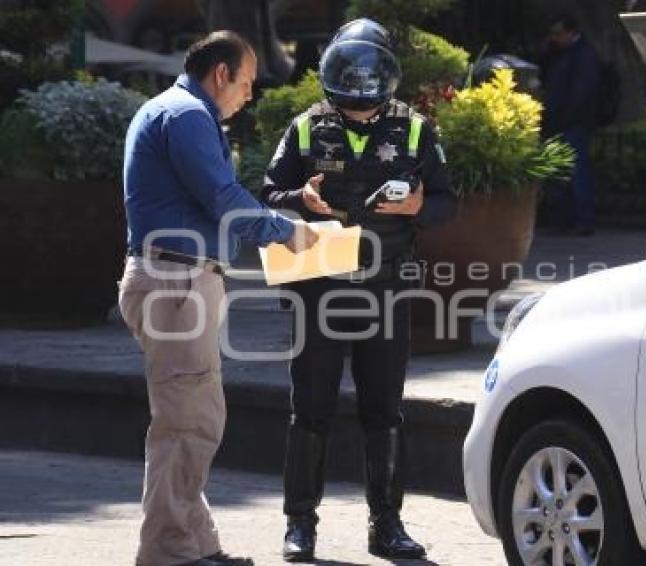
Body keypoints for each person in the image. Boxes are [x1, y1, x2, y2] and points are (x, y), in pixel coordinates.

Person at [119, 31, 318, 566]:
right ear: (221, 74)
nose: (249, 96)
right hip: (177, 283)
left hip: (175, 280)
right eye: (248, 83)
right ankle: (171, 550)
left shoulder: (172, 110)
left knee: (191, 414)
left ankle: (194, 542)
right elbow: (221, 196)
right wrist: (285, 229)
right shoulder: (186, 115)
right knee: (188, 421)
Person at [261, 18, 456, 562]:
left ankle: (387, 524)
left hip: (385, 289)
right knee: (311, 408)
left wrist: (419, 206)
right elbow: (269, 194)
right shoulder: (305, 127)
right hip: (318, 289)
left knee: (385, 410)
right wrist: (301, 197)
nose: (361, 97)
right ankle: (300, 525)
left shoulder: (416, 129)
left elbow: (446, 203)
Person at [540, 14, 602, 236]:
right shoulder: (560, 54)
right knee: (562, 172)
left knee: (577, 172)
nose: (555, 38)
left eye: (559, 34)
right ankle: (564, 218)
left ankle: (582, 219)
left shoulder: (583, 55)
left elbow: (582, 91)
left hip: (573, 122)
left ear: (570, 33)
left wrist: (566, 116)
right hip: (561, 121)